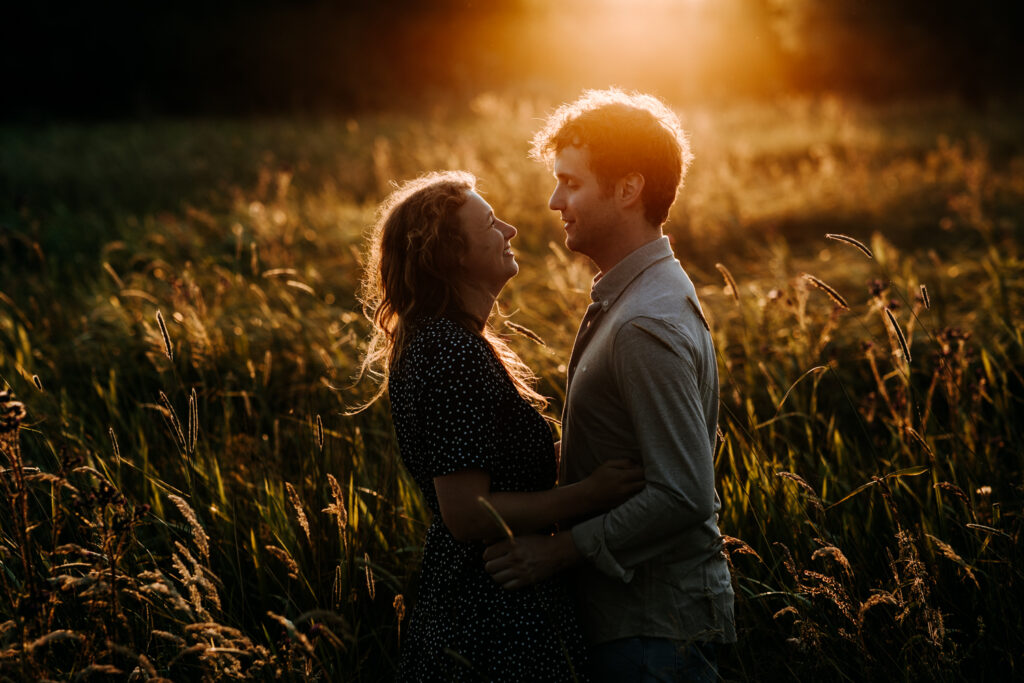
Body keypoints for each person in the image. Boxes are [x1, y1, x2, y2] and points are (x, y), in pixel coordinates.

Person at [483, 89, 736, 682]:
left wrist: (557, 551)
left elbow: (683, 494)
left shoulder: (644, 322)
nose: (553, 201)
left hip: (656, 632)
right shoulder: (635, 298)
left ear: (628, 189)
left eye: (571, 183)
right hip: (638, 625)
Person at [356, 170, 645, 681]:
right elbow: (466, 513)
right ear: (453, 255)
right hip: (491, 616)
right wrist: (592, 492)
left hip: (495, 599)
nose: (509, 230)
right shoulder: (448, 351)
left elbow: (492, 469)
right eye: (490, 223)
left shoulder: (445, 343)